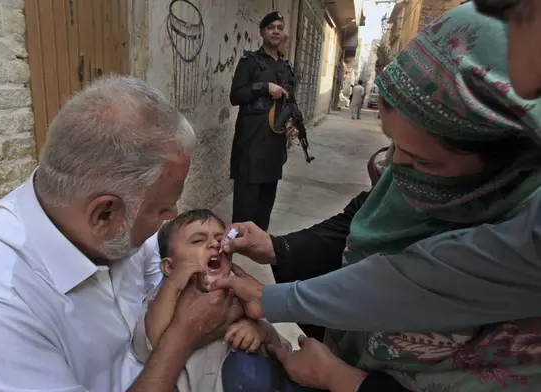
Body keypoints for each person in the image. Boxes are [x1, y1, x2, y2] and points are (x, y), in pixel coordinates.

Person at [212, 2, 541, 391]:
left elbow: (417, 281)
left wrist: (349, 382)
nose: (395, 170)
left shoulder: (524, 241)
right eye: (392, 146)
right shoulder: (406, 176)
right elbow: (360, 219)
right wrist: (277, 248)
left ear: (510, 157)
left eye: (421, 160)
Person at [0, 76, 238, 392]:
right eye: (162, 209)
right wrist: (182, 337)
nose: (173, 215)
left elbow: (166, 279)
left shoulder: (111, 224)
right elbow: (178, 330)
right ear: (104, 214)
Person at [132, 209, 318, 392]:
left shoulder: (239, 297)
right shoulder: (165, 300)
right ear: (169, 267)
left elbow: (279, 348)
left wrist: (260, 331)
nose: (214, 244)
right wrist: (172, 285)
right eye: (198, 240)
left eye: (220, 240)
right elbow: (146, 348)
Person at [229, 11, 298, 236]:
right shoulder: (250, 62)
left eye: (279, 27)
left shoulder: (287, 68)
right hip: (251, 143)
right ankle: (238, 243)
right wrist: (264, 87)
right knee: (246, 200)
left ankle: (258, 240)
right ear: (262, 32)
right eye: (270, 27)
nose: (275, 31)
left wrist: (291, 124)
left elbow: (291, 103)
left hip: (274, 146)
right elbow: (236, 95)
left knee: (266, 200)